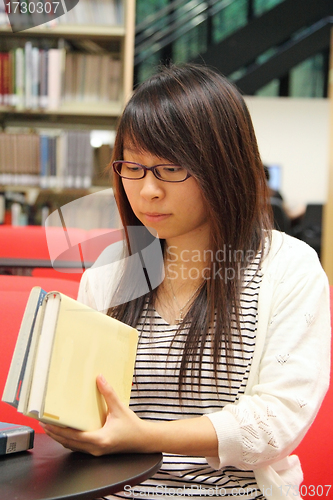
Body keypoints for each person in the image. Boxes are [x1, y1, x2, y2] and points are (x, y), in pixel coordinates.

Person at [40, 64, 331, 500]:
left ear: (222, 166)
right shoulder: (112, 269)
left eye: (169, 169)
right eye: (132, 167)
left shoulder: (287, 266)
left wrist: (144, 436)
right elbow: (91, 409)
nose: (147, 190)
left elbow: (277, 421)